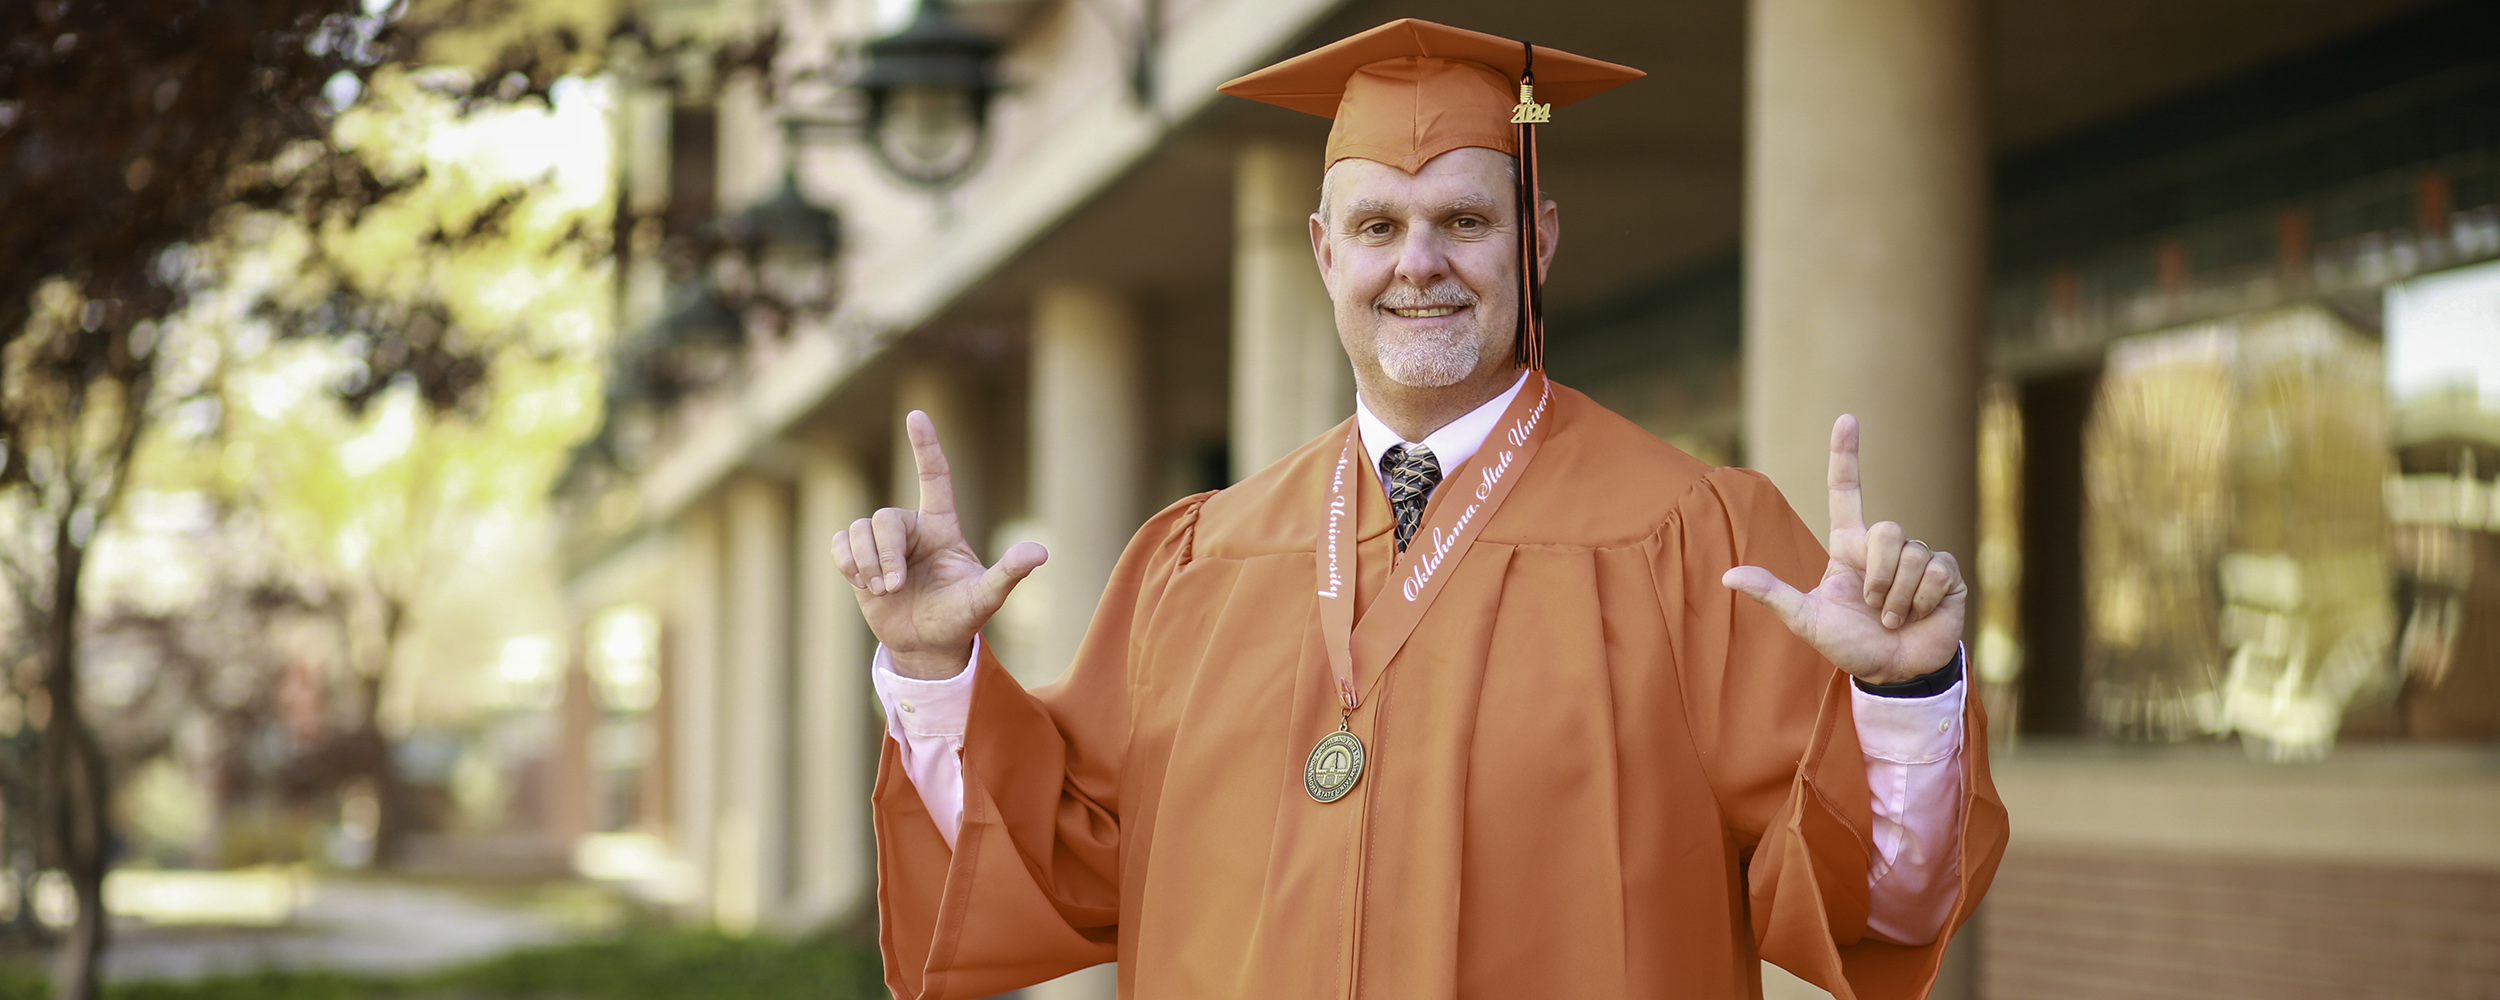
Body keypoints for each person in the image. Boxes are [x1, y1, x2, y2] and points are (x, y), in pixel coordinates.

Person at [834, 19, 2007, 1000]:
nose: (1418, 264)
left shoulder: (1694, 536)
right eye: (1377, 227)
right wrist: (937, 670)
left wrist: (1902, 696)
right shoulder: (1200, 560)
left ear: (1534, 241)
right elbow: (1055, 860)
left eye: (1465, 221)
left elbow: (1873, 906)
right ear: (1321, 252)